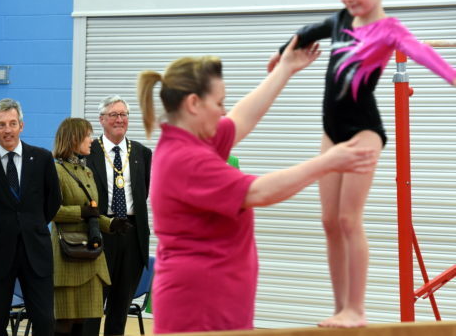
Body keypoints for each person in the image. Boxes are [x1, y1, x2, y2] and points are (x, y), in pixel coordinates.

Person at [137, 36, 379, 334]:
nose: (224, 111)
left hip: (220, 296)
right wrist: (328, 162)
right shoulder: (184, 158)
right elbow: (260, 191)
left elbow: (242, 117)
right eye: (219, 102)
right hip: (199, 305)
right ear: (193, 104)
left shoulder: (196, 139)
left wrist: (285, 69)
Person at [267, 0, 456, 328]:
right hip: (330, 132)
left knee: (348, 219)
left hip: (363, 131)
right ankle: (341, 308)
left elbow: (422, 54)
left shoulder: (390, 30)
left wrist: (452, 76)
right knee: (328, 221)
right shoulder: (340, 20)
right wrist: (282, 54)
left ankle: (357, 308)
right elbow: (306, 32)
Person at [0, 98, 62, 336]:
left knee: (44, 320)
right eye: (1, 125)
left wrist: (34, 224)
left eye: (12, 123)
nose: (7, 130)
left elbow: (54, 200)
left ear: (22, 125)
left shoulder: (42, 158)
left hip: (36, 251)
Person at [52, 117, 131, 336]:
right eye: (87, 135)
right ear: (73, 138)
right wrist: (80, 212)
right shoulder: (56, 171)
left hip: (89, 257)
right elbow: (51, 211)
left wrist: (112, 224)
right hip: (68, 256)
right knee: (63, 323)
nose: (91, 140)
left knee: (82, 323)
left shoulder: (86, 171)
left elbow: (93, 213)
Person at [84, 95, 152, 336]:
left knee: (120, 305)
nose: (119, 119)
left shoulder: (142, 153)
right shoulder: (88, 151)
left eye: (123, 114)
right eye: (114, 115)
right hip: (100, 232)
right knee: (93, 305)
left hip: (131, 233)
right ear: (102, 119)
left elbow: (143, 190)